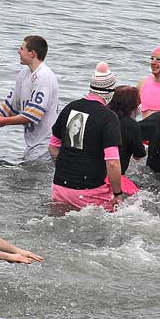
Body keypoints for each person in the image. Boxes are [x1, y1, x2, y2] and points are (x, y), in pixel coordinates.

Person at [49, 62, 123, 211]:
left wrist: (66, 168)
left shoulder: (70, 107)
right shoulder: (108, 117)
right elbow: (113, 162)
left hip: (60, 187)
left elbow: (53, 147)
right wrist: (118, 193)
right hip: (90, 192)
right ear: (110, 92)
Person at [0, 35, 59, 161]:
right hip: (32, 145)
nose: (18, 51)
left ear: (32, 53)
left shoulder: (44, 78)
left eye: (21, 48)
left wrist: (4, 122)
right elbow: (10, 105)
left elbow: (33, 115)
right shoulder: (24, 74)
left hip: (45, 147)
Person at [107, 85, 147, 195]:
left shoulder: (102, 116)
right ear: (132, 105)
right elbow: (140, 153)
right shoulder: (131, 125)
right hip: (117, 176)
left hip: (94, 172)